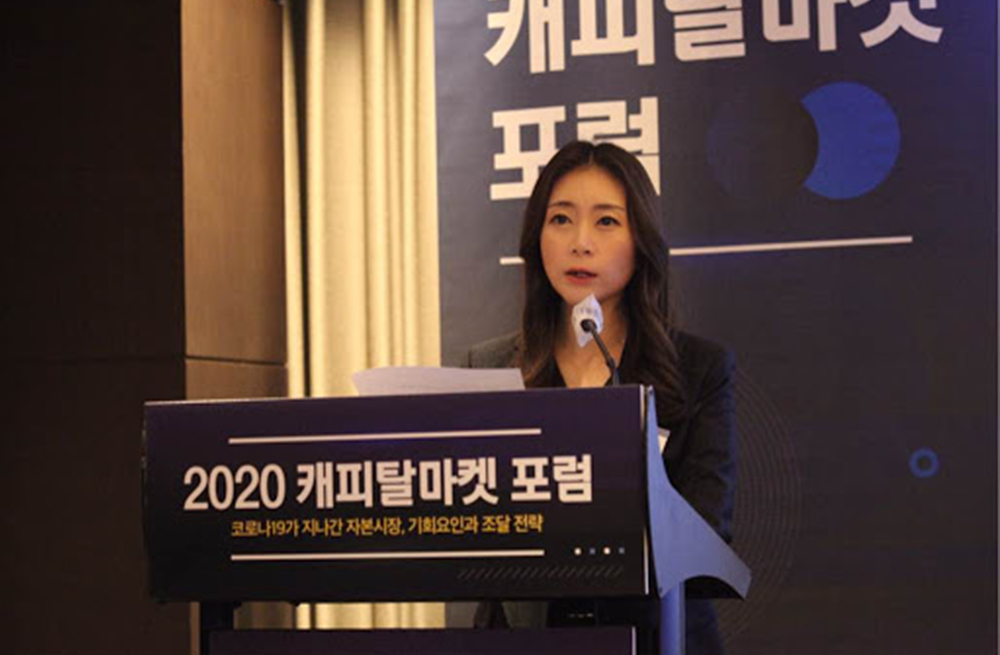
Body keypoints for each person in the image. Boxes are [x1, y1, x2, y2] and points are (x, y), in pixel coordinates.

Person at [466, 141, 737, 655]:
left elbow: (707, 529)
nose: (580, 243)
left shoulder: (698, 370)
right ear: (536, 238)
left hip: (659, 639)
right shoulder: (491, 370)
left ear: (642, 241)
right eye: (561, 220)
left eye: (607, 221)